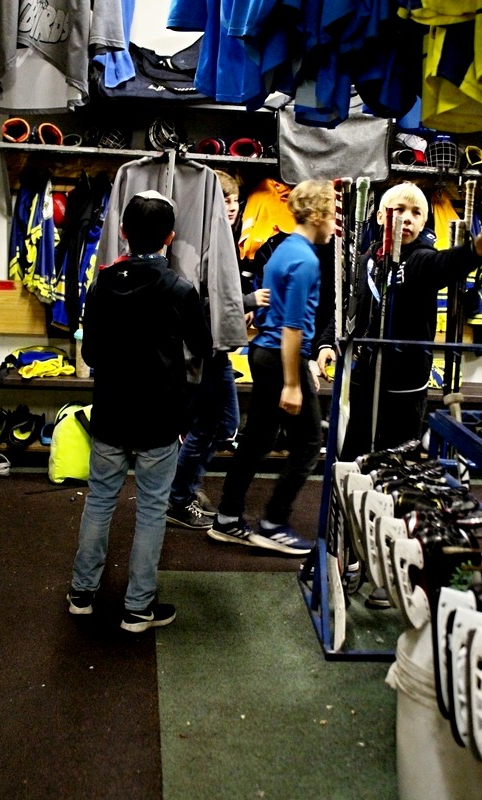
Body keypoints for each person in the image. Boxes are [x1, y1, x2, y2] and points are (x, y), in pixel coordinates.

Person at [316, 180, 482, 604]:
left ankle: (392, 573)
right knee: (351, 468)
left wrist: (476, 251)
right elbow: (349, 308)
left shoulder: (419, 258)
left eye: (414, 212)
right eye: (395, 210)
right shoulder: (368, 259)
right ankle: (345, 555)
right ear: (378, 216)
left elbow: (443, 265)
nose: (404, 218)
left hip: (403, 391)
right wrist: (328, 343)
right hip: (364, 383)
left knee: (398, 480)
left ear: (424, 222)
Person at [66, 190, 212, 632]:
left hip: (111, 411)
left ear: (123, 232)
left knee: (100, 500)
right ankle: (137, 608)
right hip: (159, 418)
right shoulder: (180, 289)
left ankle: (81, 594)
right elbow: (202, 347)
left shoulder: (102, 285)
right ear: (170, 237)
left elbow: (90, 353)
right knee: (150, 509)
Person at [208, 178, 336, 555]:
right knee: (309, 444)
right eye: (332, 216)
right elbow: (292, 326)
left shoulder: (284, 248)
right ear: (317, 215)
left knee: (258, 439)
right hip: (281, 356)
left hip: (264, 353)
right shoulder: (305, 260)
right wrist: (294, 382)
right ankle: (274, 523)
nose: (335, 224)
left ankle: (227, 517)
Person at [166, 170, 270, 530]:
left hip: (219, 348)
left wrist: (238, 308)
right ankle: (179, 498)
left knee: (225, 424)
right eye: (225, 199)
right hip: (203, 349)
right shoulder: (204, 239)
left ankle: (187, 487)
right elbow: (202, 299)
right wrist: (247, 300)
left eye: (235, 199)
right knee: (205, 426)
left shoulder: (227, 236)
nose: (232, 206)